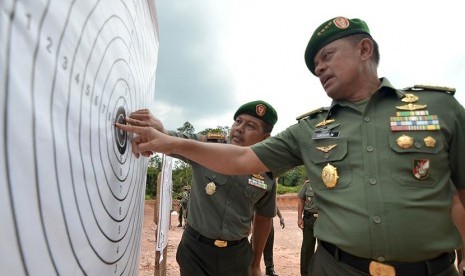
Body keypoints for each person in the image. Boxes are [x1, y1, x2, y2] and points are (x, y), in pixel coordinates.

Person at [117, 16, 465, 276]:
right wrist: (166, 139)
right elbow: (240, 158)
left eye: (327, 56)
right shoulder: (310, 130)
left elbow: (461, 193)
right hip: (335, 269)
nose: (320, 68)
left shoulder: (439, 109)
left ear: (364, 49)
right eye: (316, 66)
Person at [123, 100, 278, 276]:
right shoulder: (207, 147)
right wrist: (161, 131)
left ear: (265, 138)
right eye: (238, 121)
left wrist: (256, 263)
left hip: (237, 255)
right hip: (196, 251)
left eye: (250, 125)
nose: (239, 128)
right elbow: (175, 142)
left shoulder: (267, 171)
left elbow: (264, 218)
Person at [256, 205, 285, 276]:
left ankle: (269, 268)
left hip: (268, 218)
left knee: (269, 242)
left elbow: (274, 203)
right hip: (256, 217)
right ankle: (252, 267)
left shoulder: (270, 193)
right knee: (254, 243)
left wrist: (281, 217)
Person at [297, 180, 318, 276]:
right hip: (309, 218)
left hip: (324, 219)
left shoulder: (329, 181)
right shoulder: (308, 184)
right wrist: (299, 218)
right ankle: (305, 274)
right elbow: (301, 199)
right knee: (307, 247)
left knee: (325, 249)